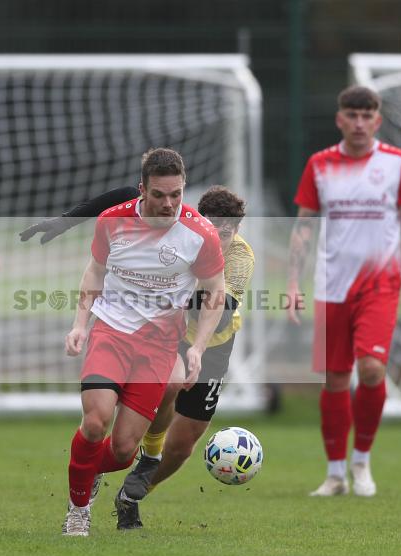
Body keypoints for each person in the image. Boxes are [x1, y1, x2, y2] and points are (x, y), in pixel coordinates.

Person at [22, 185, 254, 530]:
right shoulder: (179, 229)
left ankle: (131, 495)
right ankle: (148, 455)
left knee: (186, 443)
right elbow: (119, 198)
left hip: (214, 342)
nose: (220, 236)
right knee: (170, 384)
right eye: (214, 228)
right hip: (162, 334)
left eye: (229, 230)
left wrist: (177, 282)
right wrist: (66, 221)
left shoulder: (239, 256)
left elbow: (219, 312)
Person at [61, 148, 225, 536]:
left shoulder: (200, 234)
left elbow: (215, 291)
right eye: (159, 195)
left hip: (158, 346)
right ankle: (78, 509)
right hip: (111, 333)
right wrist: (80, 324)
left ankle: (89, 470)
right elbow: (95, 271)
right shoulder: (111, 222)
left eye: (176, 194)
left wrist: (198, 347)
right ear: (142, 190)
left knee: (121, 453)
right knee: (95, 421)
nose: (168, 204)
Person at [286, 85, 401, 498]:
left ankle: (361, 461)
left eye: (368, 116)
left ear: (377, 121)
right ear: (340, 119)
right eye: (353, 115)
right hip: (331, 285)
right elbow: (303, 225)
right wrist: (293, 282)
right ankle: (334, 474)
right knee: (334, 380)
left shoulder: (398, 163)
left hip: (381, 283)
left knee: (371, 370)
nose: (360, 123)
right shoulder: (320, 165)